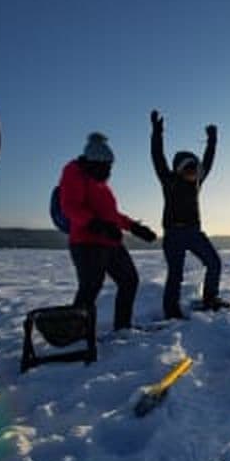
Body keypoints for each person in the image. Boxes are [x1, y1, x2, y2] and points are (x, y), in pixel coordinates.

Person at [59, 133, 157, 331]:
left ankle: (123, 327)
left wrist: (134, 227)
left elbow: (111, 215)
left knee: (129, 280)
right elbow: (70, 206)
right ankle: (76, 335)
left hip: (111, 243)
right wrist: (98, 225)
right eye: (106, 166)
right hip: (86, 243)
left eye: (110, 166)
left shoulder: (100, 183)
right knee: (90, 287)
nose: (109, 170)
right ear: (93, 162)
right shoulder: (74, 173)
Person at [151, 110, 227, 318]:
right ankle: (171, 311)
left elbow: (208, 162)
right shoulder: (169, 181)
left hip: (194, 232)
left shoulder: (196, 183)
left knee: (214, 263)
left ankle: (210, 298)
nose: (195, 172)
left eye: (196, 168)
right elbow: (158, 157)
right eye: (190, 168)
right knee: (175, 274)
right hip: (173, 234)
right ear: (180, 169)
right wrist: (157, 133)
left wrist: (212, 140)